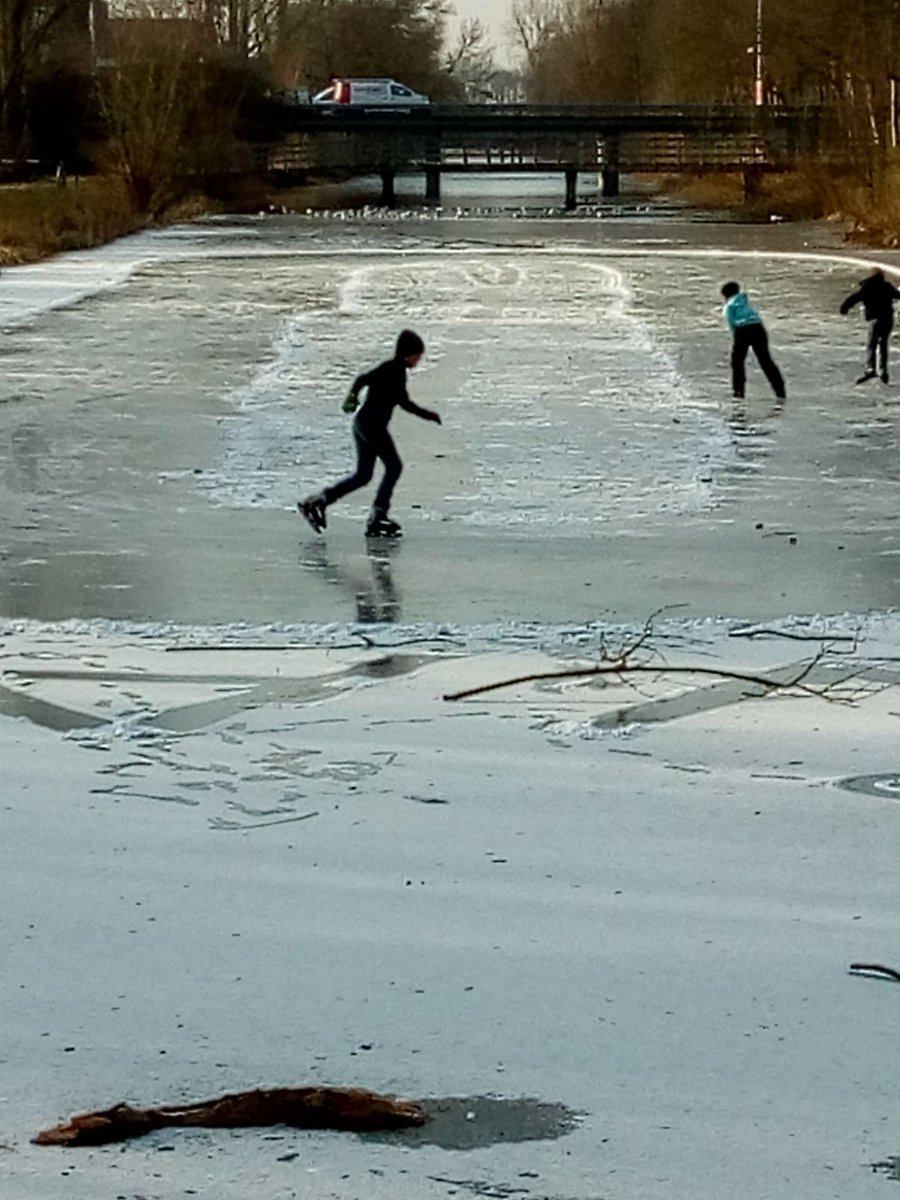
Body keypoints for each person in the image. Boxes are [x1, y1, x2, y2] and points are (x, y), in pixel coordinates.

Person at [298, 329, 441, 538]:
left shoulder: (393, 369)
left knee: (364, 475)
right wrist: (351, 397)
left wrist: (354, 396)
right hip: (372, 427)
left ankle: (318, 502)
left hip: (363, 425)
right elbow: (399, 400)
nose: (419, 360)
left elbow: (364, 381)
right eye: (417, 355)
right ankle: (378, 515)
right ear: (408, 354)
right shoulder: (393, 371)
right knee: (394, 467)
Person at [720, 281, 786, 401]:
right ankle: (780, 390)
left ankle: (738, 392)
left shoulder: (729, 305)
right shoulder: (745, 302)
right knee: (766, 361)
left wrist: (737, 337)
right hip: (758, 328)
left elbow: (732, 324)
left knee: (737, 362)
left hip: (742, 330)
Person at [839, 267, 900, 385]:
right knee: (883, 345)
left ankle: (870, 369)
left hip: (875, 320)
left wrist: (844, 309)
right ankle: (883, 371)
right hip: (887, 319)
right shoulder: (886, 286)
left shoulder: (867, 287)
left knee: (871, 345)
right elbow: (898, 295)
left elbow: (853, 299)